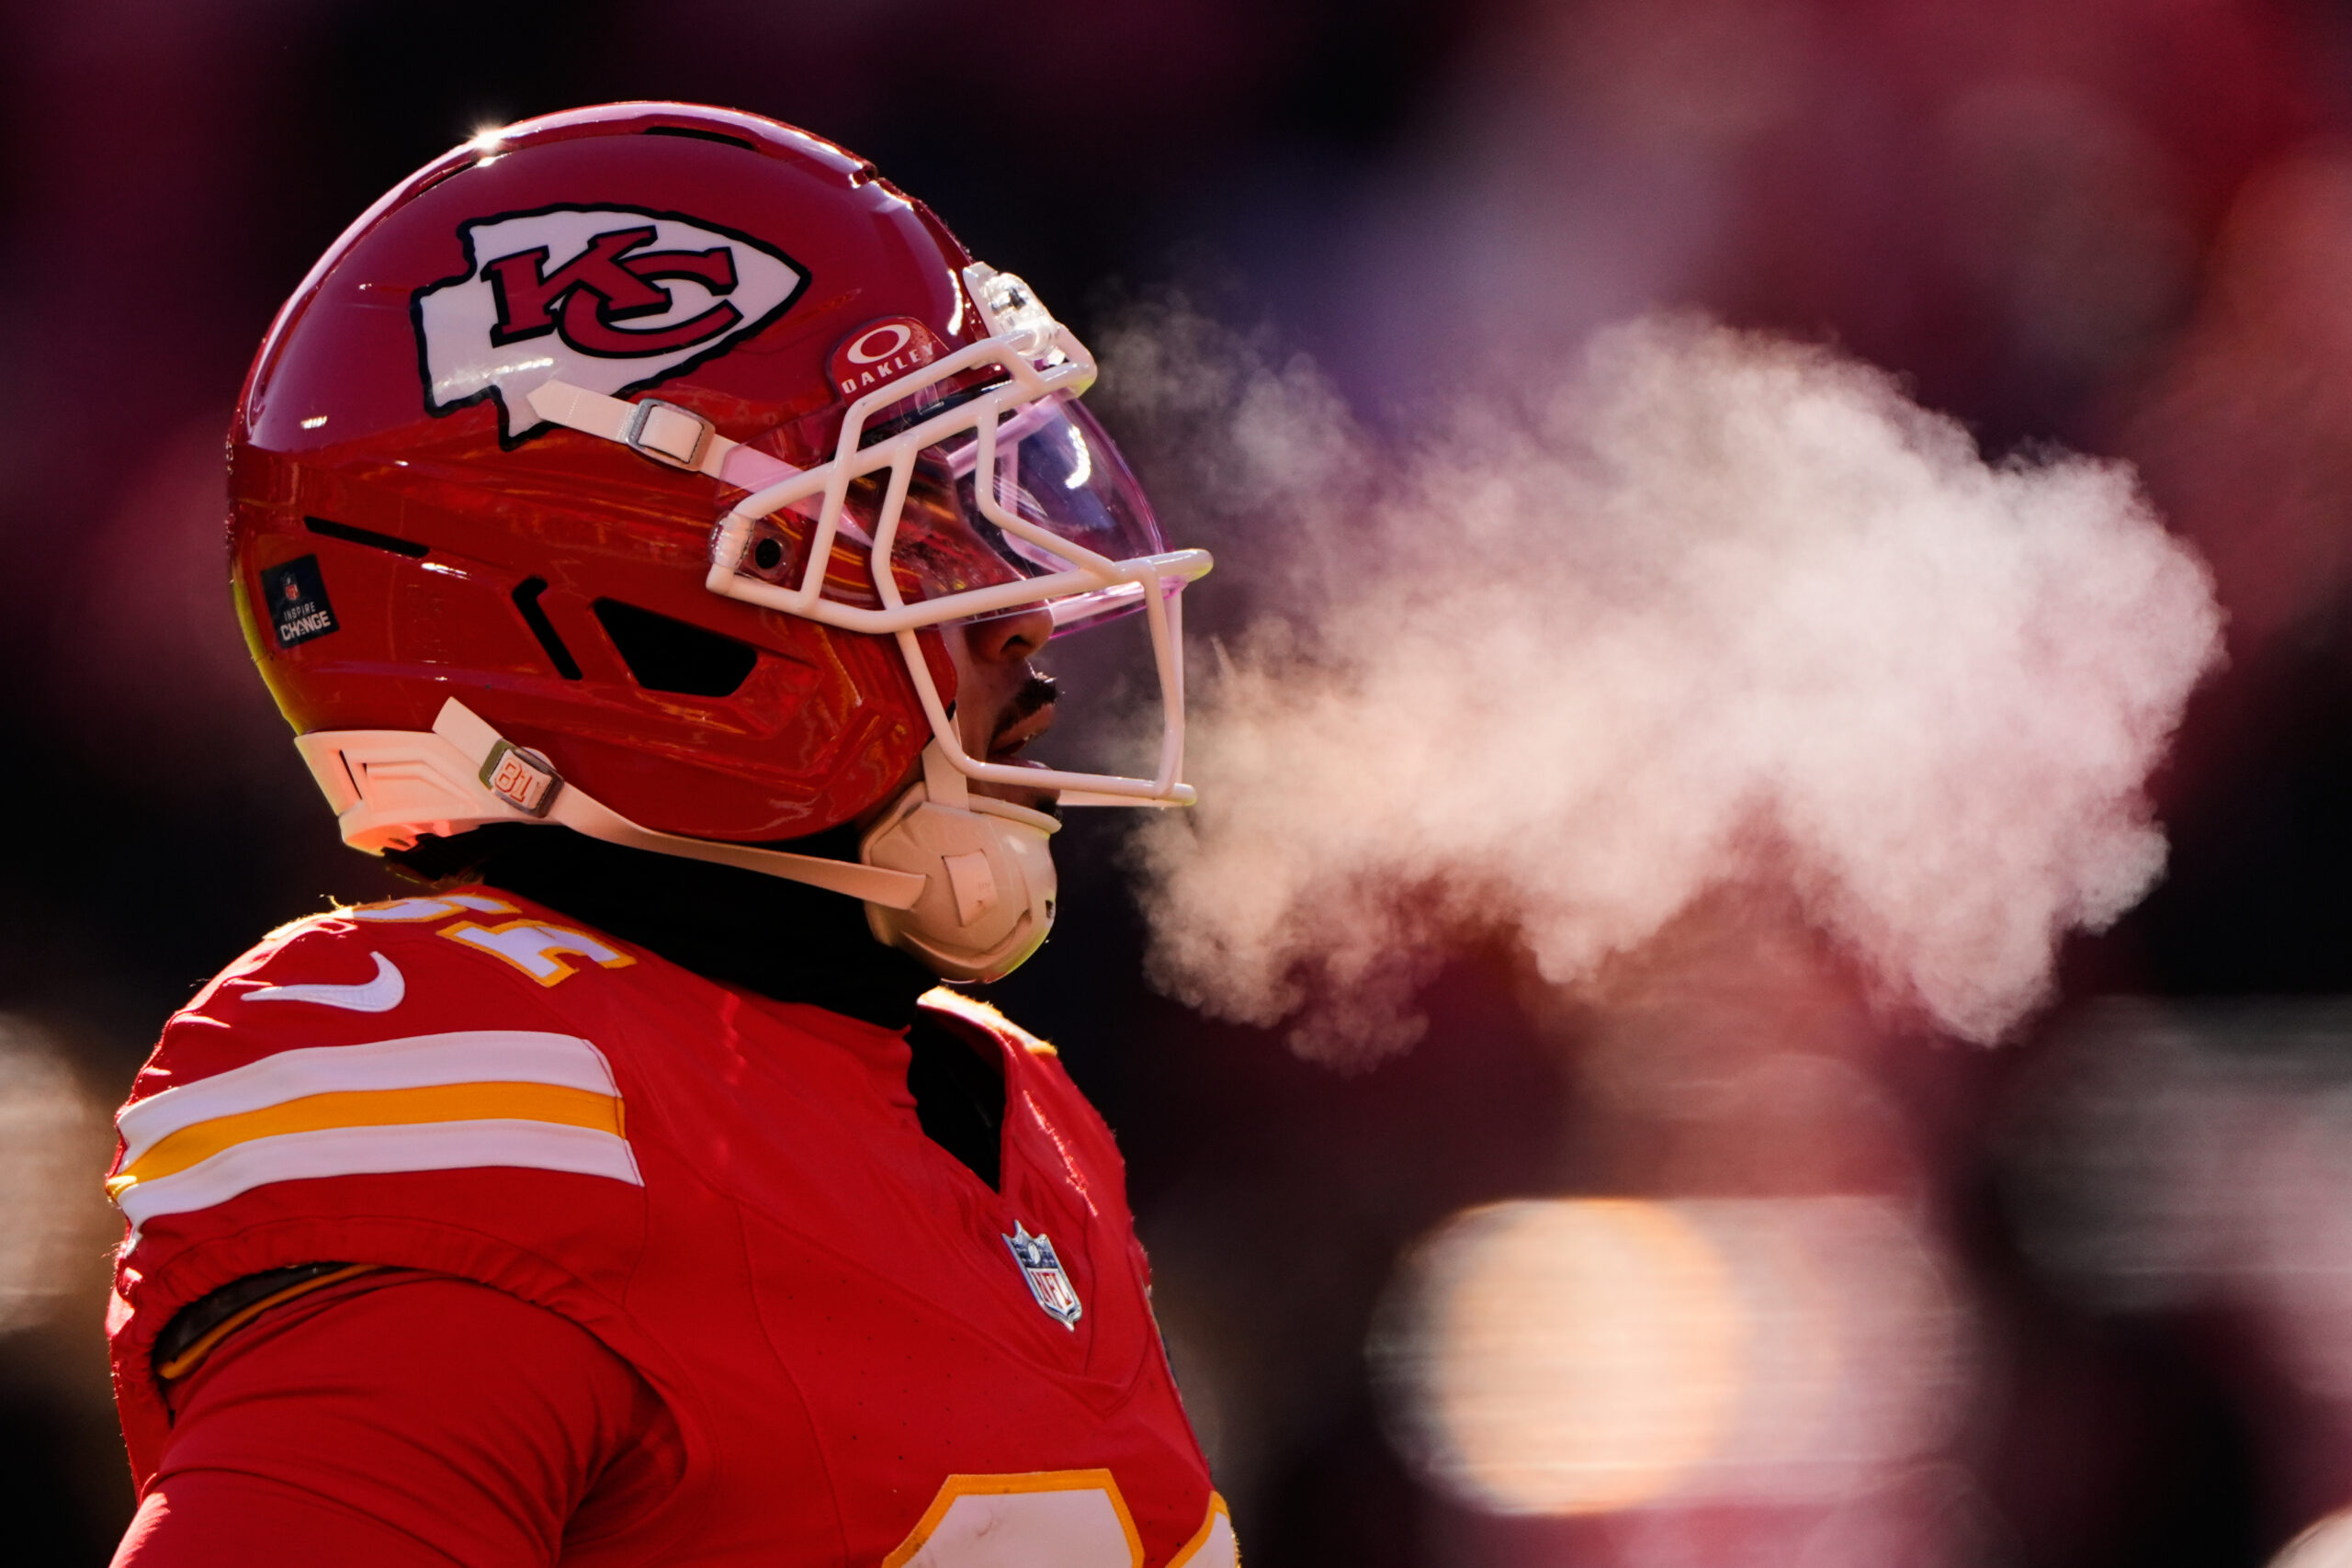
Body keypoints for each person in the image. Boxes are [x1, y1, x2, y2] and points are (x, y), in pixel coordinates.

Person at [102, 102, 1229, 1568]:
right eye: (906, 521)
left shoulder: (1001, 1104)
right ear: (629, 602)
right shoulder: (504, 1093)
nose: (1018, 609)